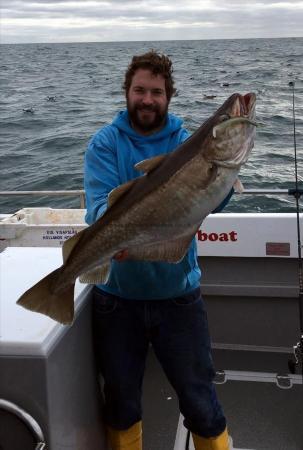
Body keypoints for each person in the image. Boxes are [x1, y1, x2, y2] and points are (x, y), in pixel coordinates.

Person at [84, 50, 233, 450]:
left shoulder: (187, 142)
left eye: (156, 91)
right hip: (117, 300)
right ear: (127, 92)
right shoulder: (105, 144)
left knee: (201, 402)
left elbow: (210, 203)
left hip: (178, 296)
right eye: (139, 90)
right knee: (121, 404)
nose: (147, 99)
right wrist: (121, 234)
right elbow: (97, 205)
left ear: (169, 96)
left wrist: (224, 179)